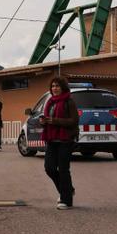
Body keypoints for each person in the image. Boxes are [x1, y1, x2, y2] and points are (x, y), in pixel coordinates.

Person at [40, 76, 78, 210]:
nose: (54, 88)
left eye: (57, 86)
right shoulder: (50, 101)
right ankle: (67, 190)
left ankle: (66, 200)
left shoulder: (69, 101)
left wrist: (54, 121)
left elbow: (73, 121)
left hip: (65, 140)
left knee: (63, 169)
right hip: (52, 139)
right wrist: (44, 121)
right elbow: (49, 120)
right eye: (53, 86)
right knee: (49, 168)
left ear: (63, 88)